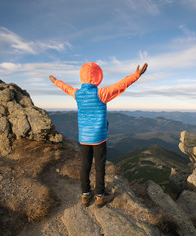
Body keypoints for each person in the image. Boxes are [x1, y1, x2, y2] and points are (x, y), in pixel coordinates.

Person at [49, 62, 148, 208]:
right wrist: (136, 75)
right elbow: (121, 85)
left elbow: (66, 88)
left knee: (85, 166)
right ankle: (100, 196)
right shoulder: (101, 93)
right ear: (98, 77)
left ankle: (85, 195)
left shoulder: (78, 94)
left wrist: (56, 81)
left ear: (82, 77)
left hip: (84, 137)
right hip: (99, 138)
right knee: (100, 166)